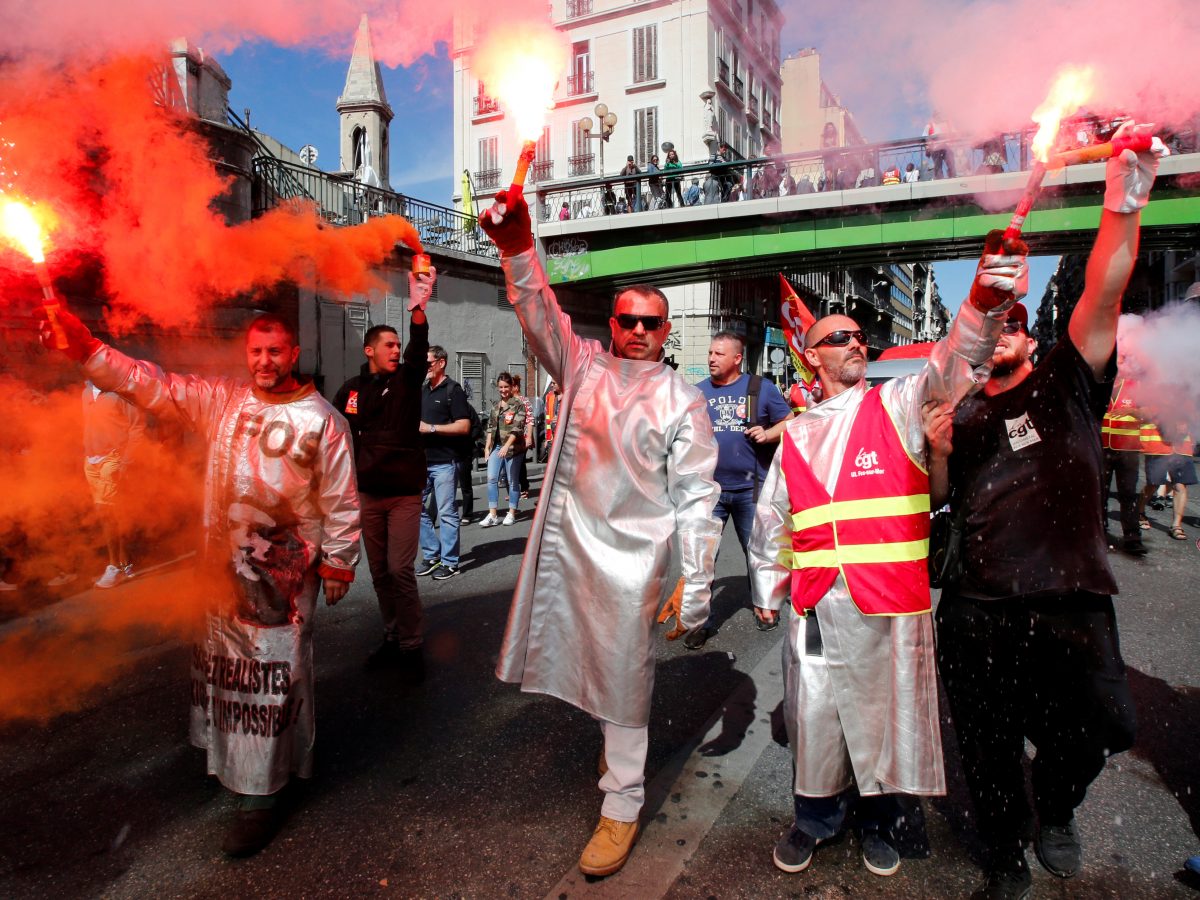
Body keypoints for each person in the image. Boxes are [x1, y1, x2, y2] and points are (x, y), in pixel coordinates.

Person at [747, 230, 1027, 879]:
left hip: (886, 600)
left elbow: (954, 362)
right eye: (839, 338)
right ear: (810, 356)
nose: (856, 343)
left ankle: (878, 822)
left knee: (880, 716)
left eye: (857, 336)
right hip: (817, 602)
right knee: (815, 717)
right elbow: (772, 518)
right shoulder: (795, 436)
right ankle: (815, 818)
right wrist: (767, 587)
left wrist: (985, 297)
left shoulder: (899, 403)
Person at [936, 122, 1164, 900]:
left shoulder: (1069, 378)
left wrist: (1124, 201)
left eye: (1014, 322)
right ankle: (1004, 855)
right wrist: (937, 445)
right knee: (989, 747)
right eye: (991, 322)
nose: (1002, 331)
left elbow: (1105, 286)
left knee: (1103, 727)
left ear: (1032, 336)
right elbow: (939, 498)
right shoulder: (960, 411)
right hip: (977, 607)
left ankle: (1059, 804)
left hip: (1070, 601)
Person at [42, 308, 360, 858]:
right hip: (220, 577)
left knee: (271, 683)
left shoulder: (324, 421)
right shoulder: (222, 401)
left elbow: (341, 497)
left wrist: (339, 560)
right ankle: (233, 770)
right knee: (228, 681)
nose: (265, 361)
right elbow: (152, 385)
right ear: (246, 354)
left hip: (282, 585)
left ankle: (260, 797)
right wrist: (88, 349)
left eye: (276, 351)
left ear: (294, 354)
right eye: (256, 351)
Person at [479, 185, 721, 877]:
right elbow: (537, 312)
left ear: (665, 332)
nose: (639, 330)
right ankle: (616, 763)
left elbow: (699, 496)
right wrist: (519, 248)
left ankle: (622, 803)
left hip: (633, 568)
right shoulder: (581, 367)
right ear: (611, 323)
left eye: (652, 322)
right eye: (628, 319)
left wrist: (696, 582)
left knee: (625, 686)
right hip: (568, 554)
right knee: (586, 672)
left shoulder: (681, 399)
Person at [332, 273, 433, 678]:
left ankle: (412, 644)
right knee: (377, 573)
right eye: (388, 345)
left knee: (398, 570)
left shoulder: (408, 380)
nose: (396, 350)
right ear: (369, 349)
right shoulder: (351, 389)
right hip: (368, 495)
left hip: (405, 494)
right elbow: (334, 432)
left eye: (398, 344)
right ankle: (392, 636)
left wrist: (418, 308)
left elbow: (419, 348)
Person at [694, 332, 793, 639]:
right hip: (709, 491)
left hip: (752, 491)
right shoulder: (697, 393)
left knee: (759, 553)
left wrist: (769, 433)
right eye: (710, 352)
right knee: (702, 558)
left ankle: (765, 607)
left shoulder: (759, 388)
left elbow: (790, 421)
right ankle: (700, 620)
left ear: (737, 358)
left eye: (719, 354)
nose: (711, 358)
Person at [82, 381, 146, 588]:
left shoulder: (120, 394)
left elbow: (138, 427)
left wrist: (126, 461)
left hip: (113, 458)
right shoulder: (86, 393)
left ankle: (114, 567)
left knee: (107, 513)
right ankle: (125, 564)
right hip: (91, 460)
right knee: (113, 514)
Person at [418, 345, 473, 579]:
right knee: (413, 508)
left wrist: (430, 429)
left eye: (429, 363)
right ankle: (432, 554)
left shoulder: (454, 390)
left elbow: (464, 425)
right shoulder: (424, 390)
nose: (426, 367)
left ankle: (450, 562)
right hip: (422, 461)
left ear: (441, 363)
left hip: (444, 463)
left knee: (447, 512)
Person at [1100, 356, 1150, 554]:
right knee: (1099, 493)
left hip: (1127, 450)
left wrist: (1132, 411)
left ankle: (1132, 538)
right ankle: (1100, 534)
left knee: (1128, 494)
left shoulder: (1135, 386)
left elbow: (1151, 413)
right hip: (1102, 447)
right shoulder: (1101, 386)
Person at [480, 372, 526, 527]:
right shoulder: (495, 407)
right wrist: (487, 448)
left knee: (513, 481)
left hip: (513, 448)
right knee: (492, 478)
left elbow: (517, 428)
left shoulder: (518, 405)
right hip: (497, 447)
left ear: (512, 387)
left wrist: (507, 446)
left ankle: (512, 512)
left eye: (506, 387)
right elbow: (490, 429)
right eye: (500, 387)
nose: (503, 390)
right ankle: (493, 514)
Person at [1137, 418, 1195, 541]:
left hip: (1182, 447)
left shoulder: (1188, 399)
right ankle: (1139, 511)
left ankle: (1176, 525)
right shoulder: (1155, 398)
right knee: (1153, 485)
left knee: (1180, 485)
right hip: (1158, 445)